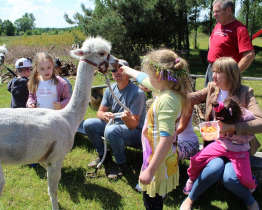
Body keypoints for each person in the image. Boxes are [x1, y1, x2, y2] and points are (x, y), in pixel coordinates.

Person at [180, 57, 262, 210]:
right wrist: (172, 92)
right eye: (214, 71)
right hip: (216, 143)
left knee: (230, 178)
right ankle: (190, 199)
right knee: (213, 168)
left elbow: (260, 122)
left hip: (239, 146)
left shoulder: (245, 92)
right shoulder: (212, 88)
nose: (214, 75)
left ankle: (250, 201)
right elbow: (191, 98)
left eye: (219, 72)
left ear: (230, 75)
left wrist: (230, 128)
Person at [120, 49, 190, 209]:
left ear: (158, 76)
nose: (149, 79)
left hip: (157, 162)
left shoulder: (165, 100)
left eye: (151, 75)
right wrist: (126, 70)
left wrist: (150, 170)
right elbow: (145, 80)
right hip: (162, 158)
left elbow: (166, 139)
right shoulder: (171, 92)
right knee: (155, 200)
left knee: (152, 202)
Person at [83, 59, 146, 179]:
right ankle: (104, 155)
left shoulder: (138, 93)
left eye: (121, 69)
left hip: (135, 132)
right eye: (113, 70)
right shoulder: (110, 89)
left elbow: (134, 125)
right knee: (88, 124)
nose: (117, 72)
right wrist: (103, 115)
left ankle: (120, 163)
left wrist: (126, 119)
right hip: (115, 126)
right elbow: (100, 112)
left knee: (111, 131)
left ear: (128, 72)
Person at [183, 98, 257, 196]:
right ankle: (192, 179)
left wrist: (232, 132)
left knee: (246, 179)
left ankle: (252, 185)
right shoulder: (220, 111)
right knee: (196, 159)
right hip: (221, 144)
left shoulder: (246, 117)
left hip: (239, 148)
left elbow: (249, 136)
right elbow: (216, 129)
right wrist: (213, 132)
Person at [204, 0, 255, 87]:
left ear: (228, 11)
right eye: (214, 12)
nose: (214, 14)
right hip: (211, 69)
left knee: (223, 100)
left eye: (217, 11)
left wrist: (233, 73)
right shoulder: (218, 25)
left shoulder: (239, 29)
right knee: (209, 98)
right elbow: (211, 38)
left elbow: (250, 54)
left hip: (225, 73)